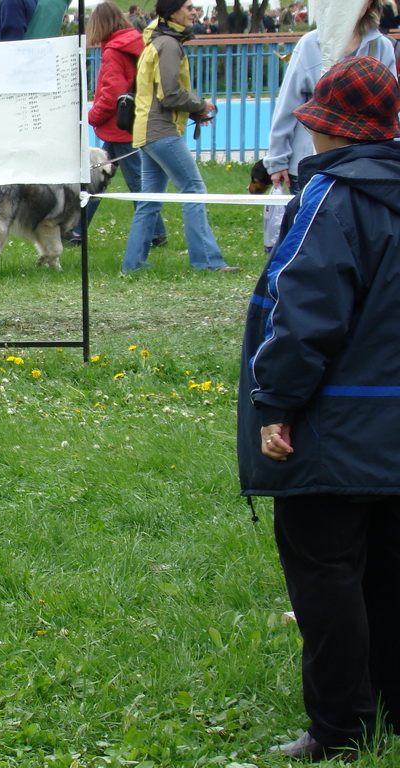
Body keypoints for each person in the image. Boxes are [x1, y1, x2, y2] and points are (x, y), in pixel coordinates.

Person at [238, 56, 400, 762]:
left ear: (332, 130)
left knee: (326, 574)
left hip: (332, 428)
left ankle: (339, 728)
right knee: (391, 575)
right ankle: (388, 709)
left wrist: (275, 404)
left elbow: (303, 316)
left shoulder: (334, 198)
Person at [120, 0, 238, 273]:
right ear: (172, 12)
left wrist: (193, 112)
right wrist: (200, 105)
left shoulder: (157, 40)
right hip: (161, 131)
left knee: (149, 202)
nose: (194, 12)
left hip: (147, 131)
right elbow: (171, 94)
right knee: (194, 190)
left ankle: (133, 265)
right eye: (188, 7)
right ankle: (207, 262)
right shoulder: (169, 45)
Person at [264, 0, 393, 193]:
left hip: (365, 168)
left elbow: (389, 112)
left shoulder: (382, 47)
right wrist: (277, 160)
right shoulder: (309, 45)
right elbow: (288, 106)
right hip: (312, 166)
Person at [66, 1, 166, 248]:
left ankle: (154, 232)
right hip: (130, 122)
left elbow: (112, 92)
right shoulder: (136, 43)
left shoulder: (112, 51)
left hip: (116, 125)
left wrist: (93, 116)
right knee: (103, 177)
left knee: (122, 180)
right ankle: (76, 228)